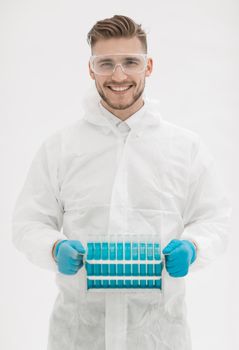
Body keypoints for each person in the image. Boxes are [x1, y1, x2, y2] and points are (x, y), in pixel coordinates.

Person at [12, 15, 231, 350]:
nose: (118, 75)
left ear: (149, 66)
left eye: (131, 62)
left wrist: (194, 247)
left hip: (160, 337)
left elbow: (214, 219)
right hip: (78, 336)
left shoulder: (184, 148)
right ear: (91, 69)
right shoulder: (61, 148)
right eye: (106, 63)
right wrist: (54, 248)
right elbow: (29, 223)